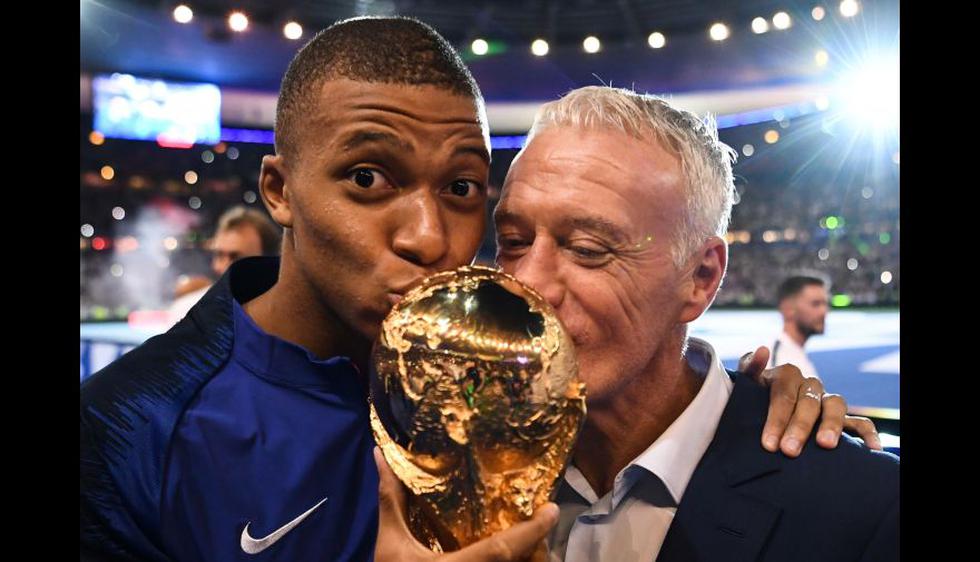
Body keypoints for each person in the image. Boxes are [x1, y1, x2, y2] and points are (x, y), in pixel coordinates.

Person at [81, 18, 880, 562]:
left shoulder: (491, 387)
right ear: (279, 191)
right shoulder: (131, 433)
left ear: (703, 277)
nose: (429, 237)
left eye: (464, 190)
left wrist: (766, 407)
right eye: (368, 178)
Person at [376, 86, 897, 562]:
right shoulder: (442, 460)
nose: (526, 284)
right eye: (513, 242)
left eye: (586, 249)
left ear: (700, 277)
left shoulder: (868, 510)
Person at [168, 205, 281, 324]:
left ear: (267, 262)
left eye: (236, 257)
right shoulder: (187, 311)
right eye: (219, 255)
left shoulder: (287, 317)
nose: (221, 267)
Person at [768, 275, 830, 378]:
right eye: (816, 304)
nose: (824, 312)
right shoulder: (780, 362)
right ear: (788, 309)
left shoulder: (793, 354)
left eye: (825, 304)